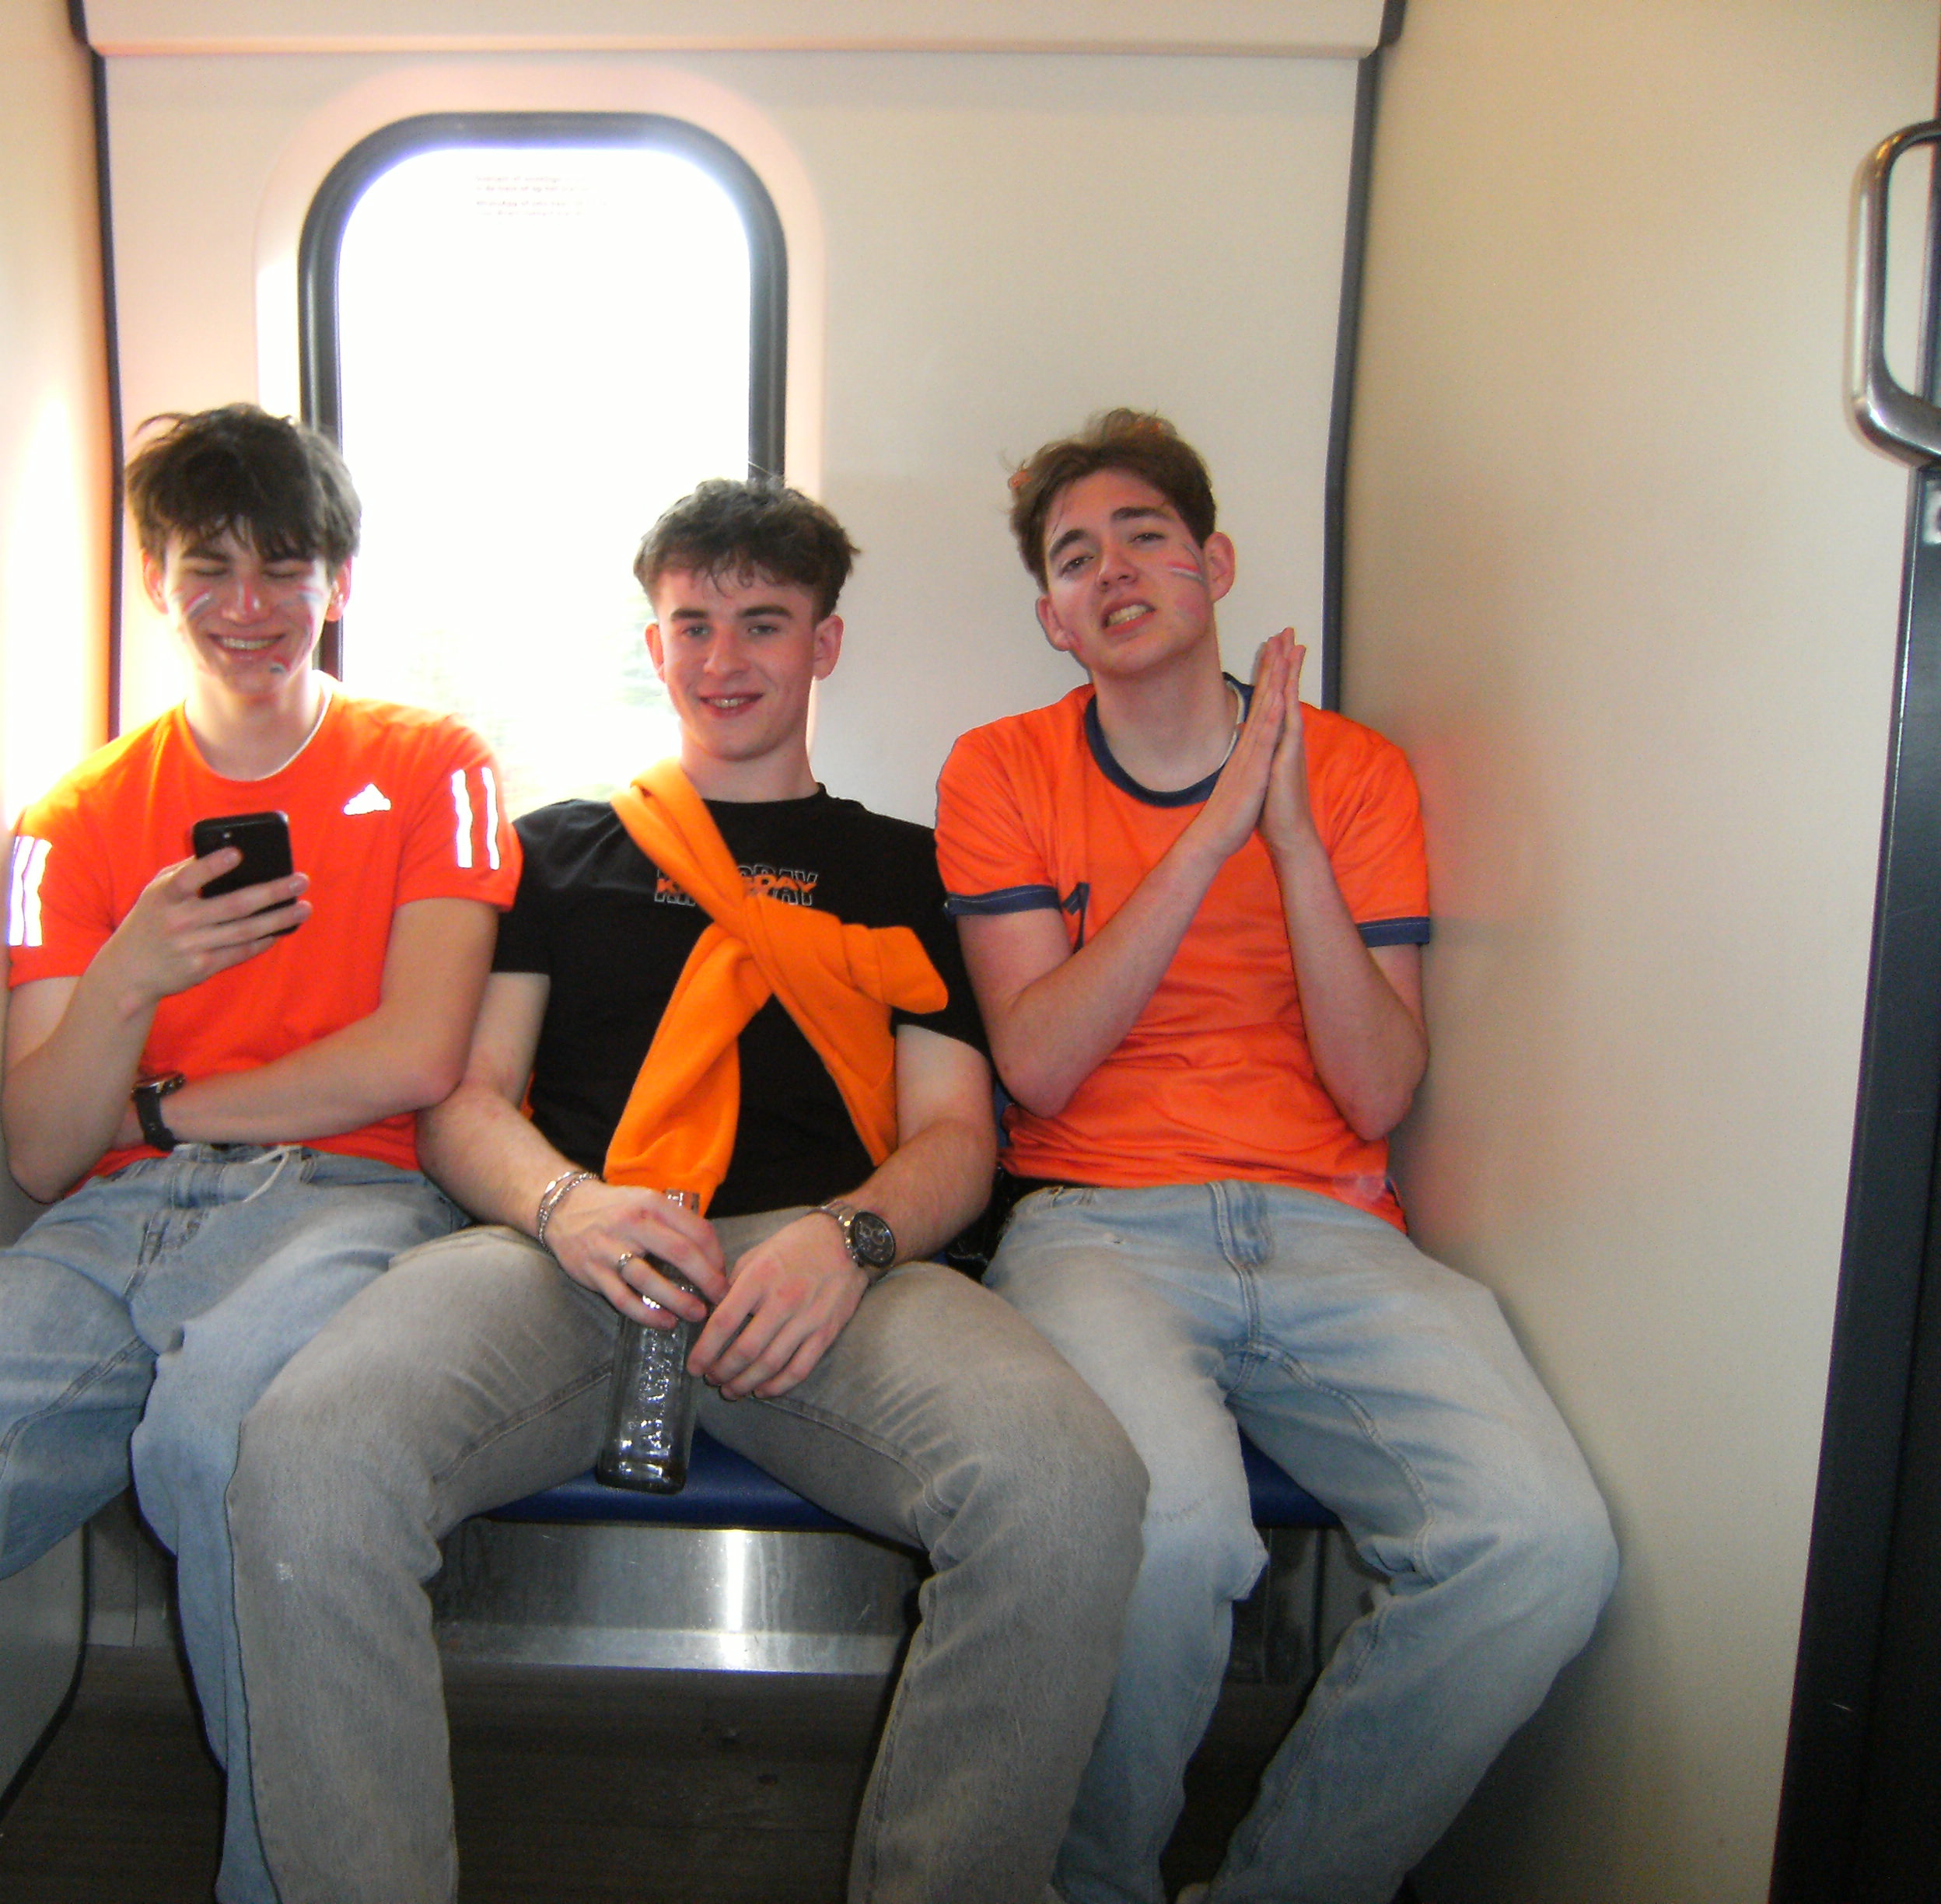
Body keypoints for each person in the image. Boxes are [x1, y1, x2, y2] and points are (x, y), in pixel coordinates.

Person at [226, 478, 1147, 1902]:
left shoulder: (903, 870)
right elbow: (468, 1103)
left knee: (1072, 1487)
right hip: (571, 1247)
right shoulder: (558, 851)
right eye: (694, 625)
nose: (726, 658)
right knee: (307, 1456)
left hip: (822, 1268)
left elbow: (956, 1138)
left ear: (824, 645)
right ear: (653, 648)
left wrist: (850, 1239)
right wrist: (566, 1208)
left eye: (764, 624)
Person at [0, 404, 516, 1904]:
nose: (249, 605)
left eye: (284, 566)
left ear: (339, 583)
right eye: (207, 568)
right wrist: (130, 971)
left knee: (220, 1441)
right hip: (111, 1228)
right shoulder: (78, 817)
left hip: (349, 1199)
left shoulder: (436, 763)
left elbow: (415, 1058)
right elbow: (47, 1147)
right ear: (158, 584)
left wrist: (164, 1107)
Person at [935, 409, 1618, 1904]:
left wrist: (1292, 838)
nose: (1115, 570)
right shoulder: (1002, 768)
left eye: (1147, 536)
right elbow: (1036, 1065)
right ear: (1054, 621)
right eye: (1075, 558)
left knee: (1541, 1546)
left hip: (1330, 1225)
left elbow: (1379, 1090)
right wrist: (1210, 835)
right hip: (1097, 1222)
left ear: (1218, 563)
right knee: (1170, 1535)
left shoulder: (1355, 774)